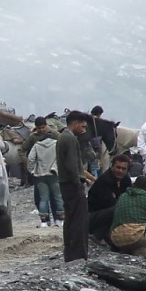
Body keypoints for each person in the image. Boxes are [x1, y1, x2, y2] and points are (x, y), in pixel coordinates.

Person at [57, 111, 94, 262]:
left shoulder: (63, 137)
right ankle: (78, 254)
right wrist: (79, 182)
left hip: (65, 184)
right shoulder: (70, 139)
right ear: (75, 123)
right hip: (72, 185)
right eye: (83, 124)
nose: (84, 128)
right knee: (79, 220)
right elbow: (72, 165)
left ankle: (70, 253)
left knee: (70, 219)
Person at [110, 175, 146, 259]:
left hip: (116, 239)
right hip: (134, 238)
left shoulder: (123, 196)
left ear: (134, 185)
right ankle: (142, 253)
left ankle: (125, 249)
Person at [26, 117, 64, 228]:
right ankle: (60, 221)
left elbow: (30, 159)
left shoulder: (37, 145)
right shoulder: (57, 144)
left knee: (43, 199)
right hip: (54, 174)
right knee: (58, 197)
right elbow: (61, 158)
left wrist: (32, 170)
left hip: (40, 175)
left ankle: (44, 222)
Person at [87, 154, 132, 247]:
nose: (120, 171)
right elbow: (109, 204)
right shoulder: (104, 181)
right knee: (117, 209)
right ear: (112, 166)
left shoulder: (126, 180)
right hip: (95, 218)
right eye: (118, 167)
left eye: (123, 169)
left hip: (114, 216)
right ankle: (97, 235)